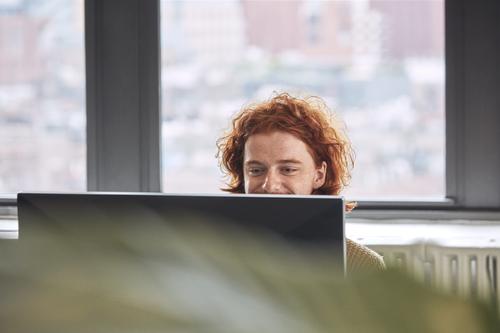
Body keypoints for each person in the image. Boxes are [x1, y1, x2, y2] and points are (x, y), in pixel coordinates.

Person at [216, 93, 385, 274]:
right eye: (256, 170)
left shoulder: (362, 265)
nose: (270, 185)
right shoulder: (212, 257)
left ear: (319, 176)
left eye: (288, 169)